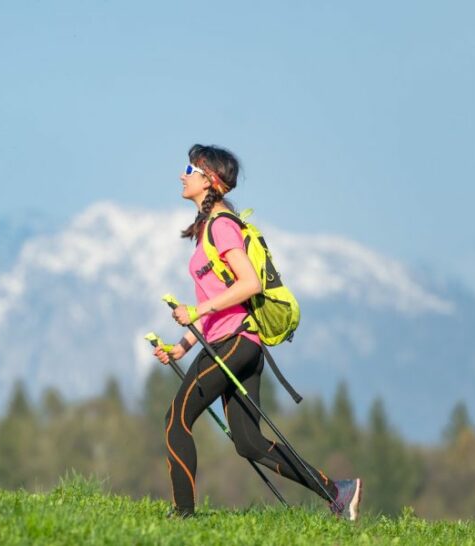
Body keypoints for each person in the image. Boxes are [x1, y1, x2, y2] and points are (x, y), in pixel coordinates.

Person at [152, 144, 362, 520]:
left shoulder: (222, 227)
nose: (182, 174)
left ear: (210, 180)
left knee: (175, 420)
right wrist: (181, 347)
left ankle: (182, 515)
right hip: (234, 342)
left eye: (190, 168)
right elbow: (220, 300)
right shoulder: (207, 229)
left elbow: (248, 284)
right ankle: (338, 492)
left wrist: (196, 310)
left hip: (233, 344)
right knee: (248, 443)